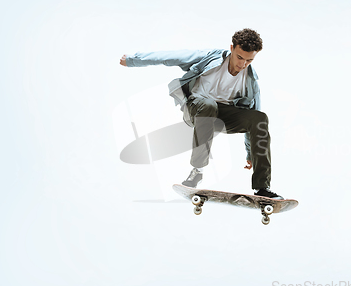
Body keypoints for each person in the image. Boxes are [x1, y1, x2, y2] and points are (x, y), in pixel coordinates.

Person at [120, 28, 283, 199]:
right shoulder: (210, 58)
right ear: (232, 48)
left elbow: (254, 115)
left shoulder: (250, 80)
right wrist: (133, 61)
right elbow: (170, 57)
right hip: (197, 109)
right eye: (239, 58)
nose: (242, 65)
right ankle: (197, 171)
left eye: (249, 61)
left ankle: (262, 187)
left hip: (224, 116)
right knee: (208, 105)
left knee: (260, 118)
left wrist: (251, 153)